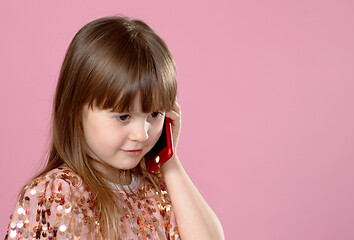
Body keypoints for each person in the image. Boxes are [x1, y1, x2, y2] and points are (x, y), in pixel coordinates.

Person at [4, 16, 224, 240]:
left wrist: (169, 160)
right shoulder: (55, 193)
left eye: (154, 114)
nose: (142, 134)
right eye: (123, 116)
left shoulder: (160, 188)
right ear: (74, 110)